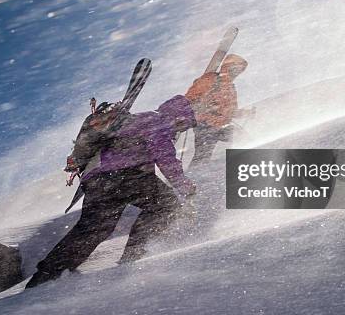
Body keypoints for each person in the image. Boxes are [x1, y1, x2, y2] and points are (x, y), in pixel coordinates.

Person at [26, 95, 196, 289]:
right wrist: (185, 187)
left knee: (95, 229)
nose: (181, 131)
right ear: (179, 117)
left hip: (97, 179)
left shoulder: (136, 119)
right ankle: (134, 256)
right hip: (128, 175)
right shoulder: (157, 121)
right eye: (184, 126)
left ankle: (48, 274)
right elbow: (165, 159)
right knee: (167, 205)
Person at [185, 54, 250, 167]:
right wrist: (200, 107)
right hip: (205, 124)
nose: (237, 73)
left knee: (236, 143)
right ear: (229, 67)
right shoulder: (211, 79)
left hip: (221, 126)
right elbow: (190, 97)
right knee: (203, 155)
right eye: (236, 69)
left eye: (239, 70)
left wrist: (246, 113)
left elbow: (232, 112)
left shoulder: (231, 88)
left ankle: (220, 171)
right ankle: (194, 176)